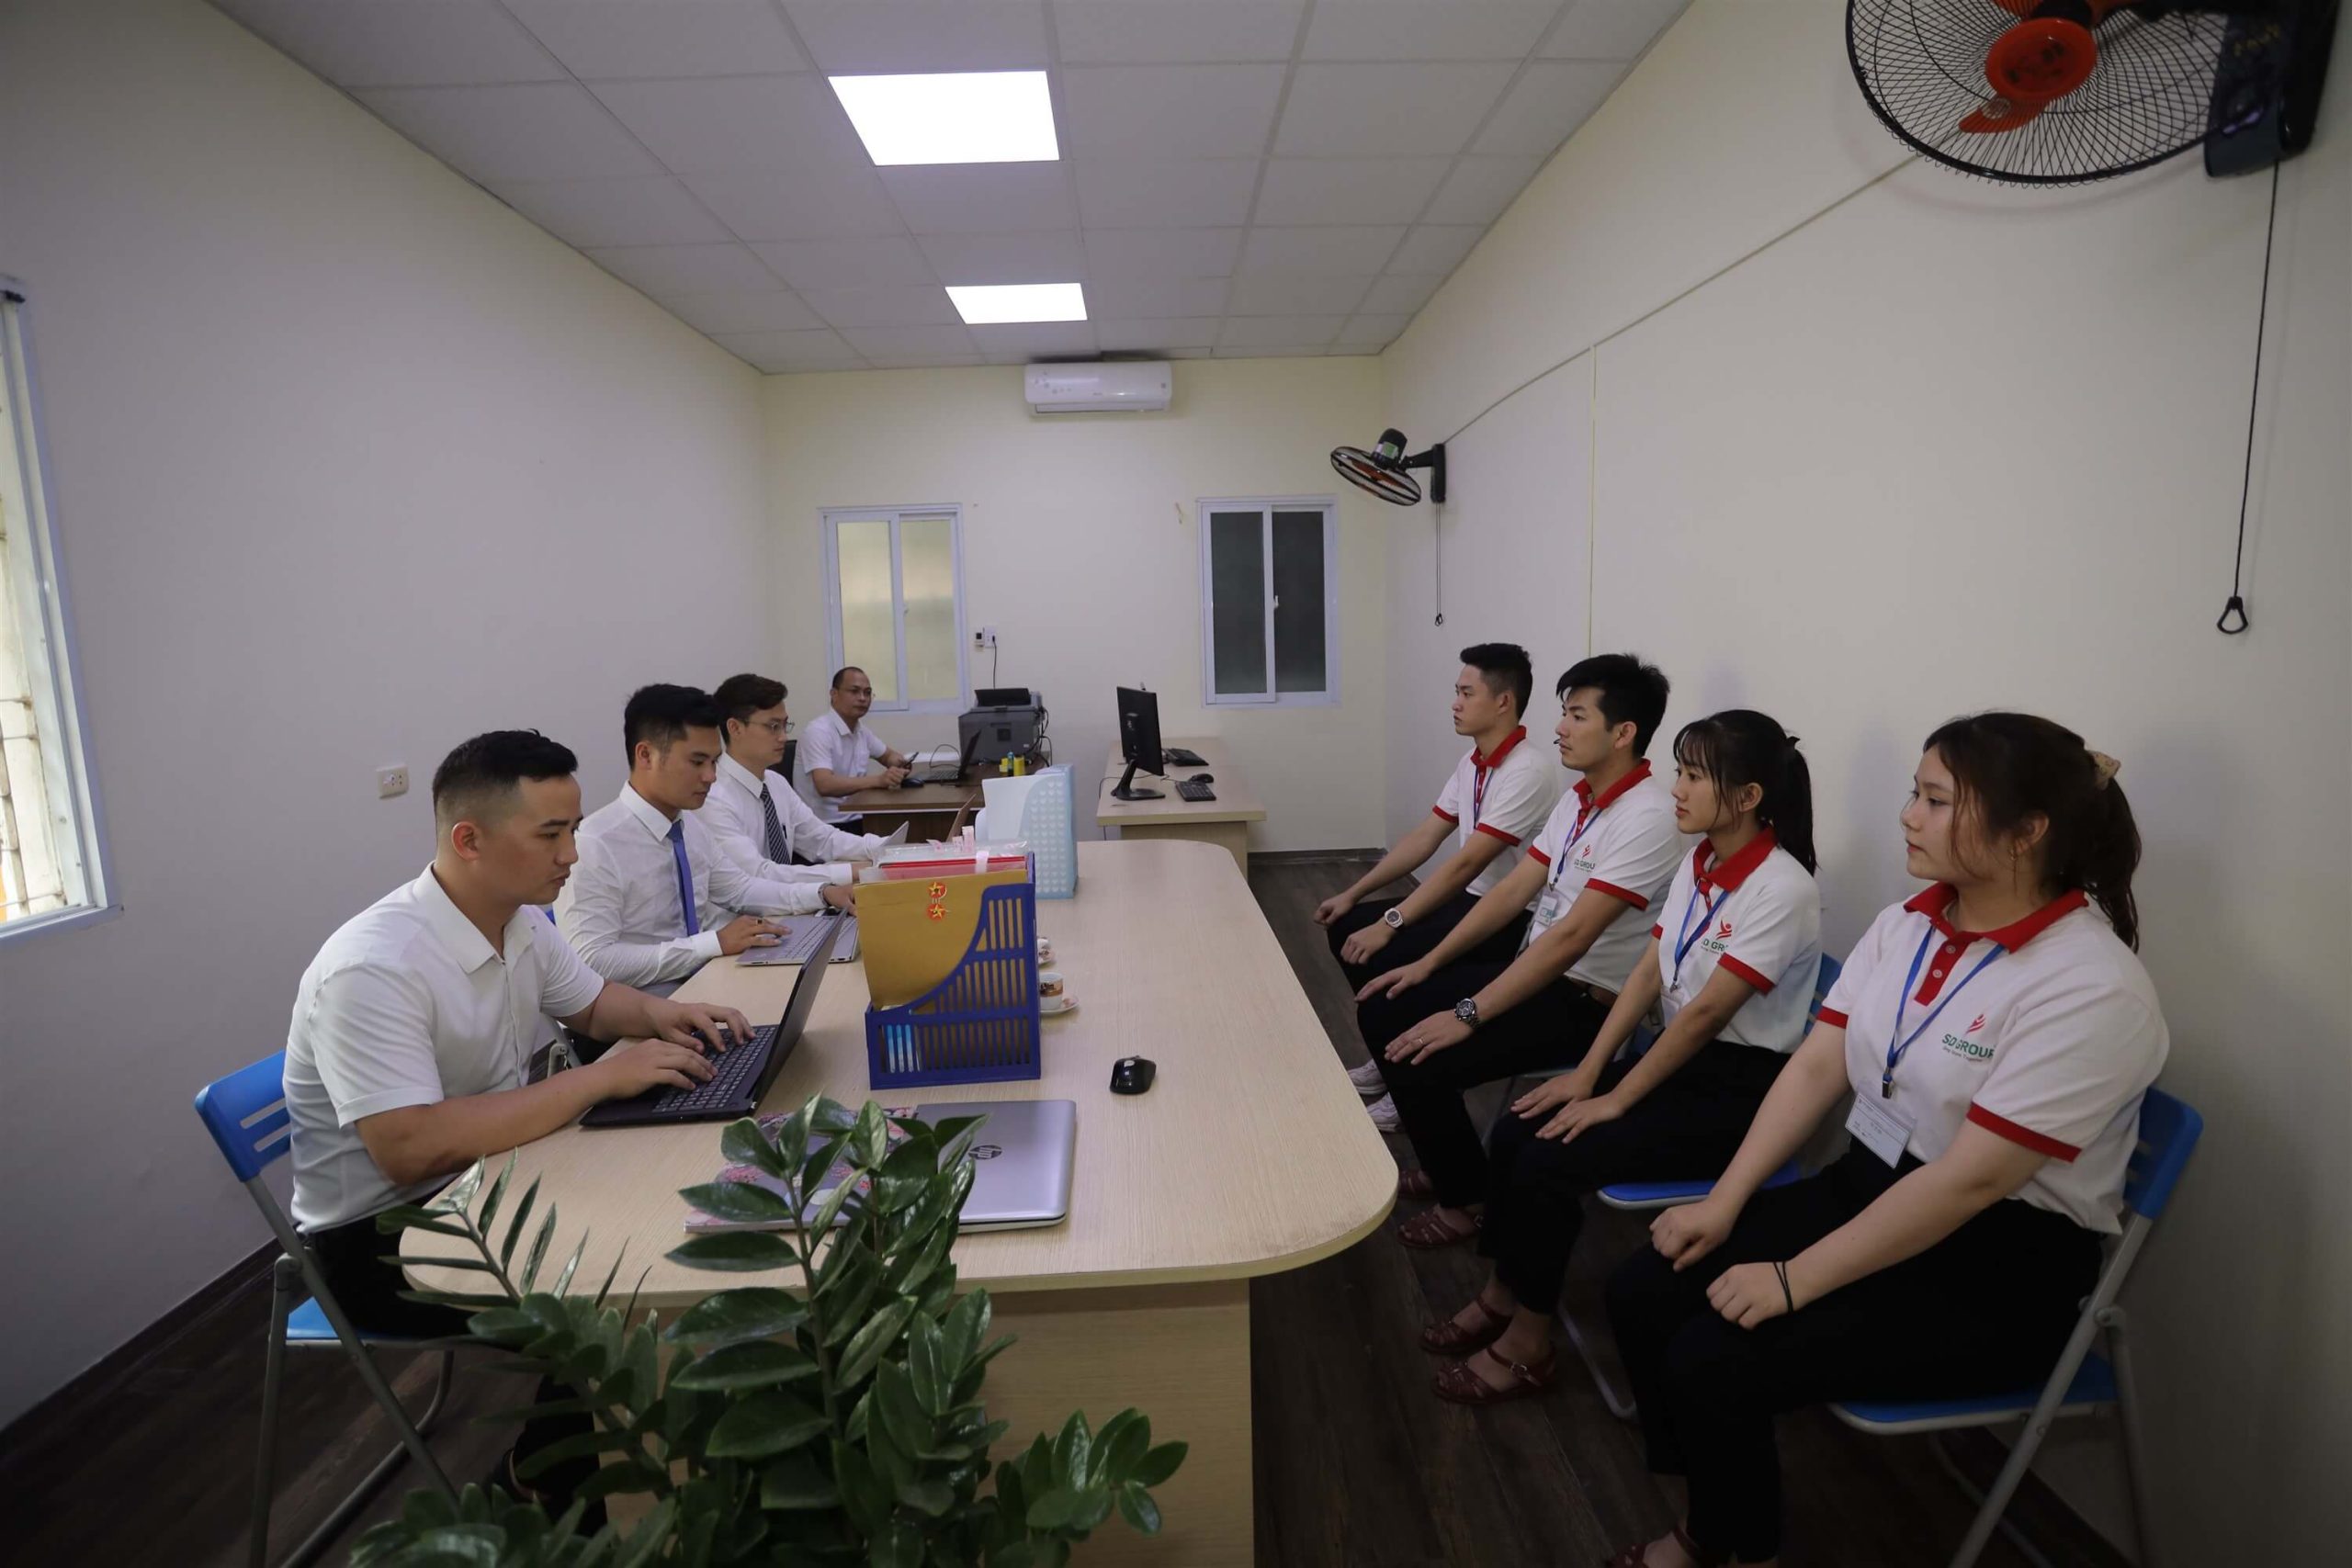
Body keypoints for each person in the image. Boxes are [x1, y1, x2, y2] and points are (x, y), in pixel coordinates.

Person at [1600, 714, 2165, 1568]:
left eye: (1936, 800)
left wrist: (1793, 1278)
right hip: (1872, 1183)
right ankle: (1717, 1507)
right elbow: (1817, 1064)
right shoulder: (1909, 921)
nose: (1908, 815)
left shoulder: (2093, 986)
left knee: (1715, 1357)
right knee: (1646, 1286)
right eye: (1915, 792)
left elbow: (1972, 1182)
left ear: (2026, 832)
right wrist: (1724, 1201)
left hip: (1996, 1265)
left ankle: (1725, 1542)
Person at [283, 729, 755, 1511]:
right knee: (632, 1287)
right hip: (386, 1240)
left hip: (489, 1177)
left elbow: (595, 1004)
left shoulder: (519, 919)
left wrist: (672, 1015)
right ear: (469, 840)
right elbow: (410, 1148)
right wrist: (599, 1078)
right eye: (551, 834)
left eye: (574, 829)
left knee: (669, 1221)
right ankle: (554, 1480)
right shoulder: (372, 966)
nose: (571, 854)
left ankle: (615, 1458)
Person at [1416, 710, 1823, 1405]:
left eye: (1694, 776)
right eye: (1680, 771)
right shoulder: (1702, 860)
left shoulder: (1783, 888)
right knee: (1517, 1128)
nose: (1677, 788)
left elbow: (1706, 1015)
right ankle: (1502, 1291)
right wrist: (1587, 1074)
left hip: (1739, 1095)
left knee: (1548, 1159)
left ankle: (1528, 1345)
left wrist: (1616, 1096)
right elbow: (1648, 971)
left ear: (1749, 796)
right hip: (1676, 1063)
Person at [1348, 655, 1681, 1161]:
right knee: (1386, 1005)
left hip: (1585, 1003)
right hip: (1538, 973)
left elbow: (1573, 937)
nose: (1560, 728)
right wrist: (1427, 964)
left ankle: (1460, 1189)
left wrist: (1468, 1013)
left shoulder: (1648, 818)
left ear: (1623, 733)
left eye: (1577, 716)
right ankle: (1449, 1167)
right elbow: (1510, 892)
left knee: (1421, 1052)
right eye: (1564, 713)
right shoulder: (1578, 801)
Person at [1316, 644, 1562, 1129]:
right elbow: (1426, 837)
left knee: (1385, 955)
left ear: (1503, 702)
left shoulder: (1528, 771)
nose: (1455, 703)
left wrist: (1392, 921)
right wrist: (1354, 893)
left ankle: (1404, 1076)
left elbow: (1467, 864)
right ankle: (1391, 1057)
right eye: (1457, 692)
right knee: (1346, 925)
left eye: (1467, 693)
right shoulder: (1473, 762)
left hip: (1511, 918)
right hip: (1471, 899)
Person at [560, 684, 849, 991]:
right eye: (697, 762)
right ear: (646, 755)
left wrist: (822, 893)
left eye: (714, 761)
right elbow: (591, 960)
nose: (711, 776)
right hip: (642, 1005)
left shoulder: (690, 825)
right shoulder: (595, 843)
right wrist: (713, 944)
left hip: (706, 982)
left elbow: (740, 889)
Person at [702, 672, 892, 888]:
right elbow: (759, 875)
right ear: (735, 728)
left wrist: (885, 847)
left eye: (785, 725)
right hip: (748, 908)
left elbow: (822, 839)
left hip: (788, 899)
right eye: (773, 726)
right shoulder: (713, 797)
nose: (783, 737)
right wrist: (850, 871)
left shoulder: (775, 783)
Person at [796, 665, 912, 829]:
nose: (863, 698)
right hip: (825, 825)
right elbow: (825, 785)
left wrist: (898, 763)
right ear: (834, 694)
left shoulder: (861, 731)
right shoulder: (818, 731)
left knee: (906, 825)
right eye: (854, 691)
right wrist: (879, 780)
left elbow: (887, 756)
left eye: (867, 692)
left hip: (858, 814)